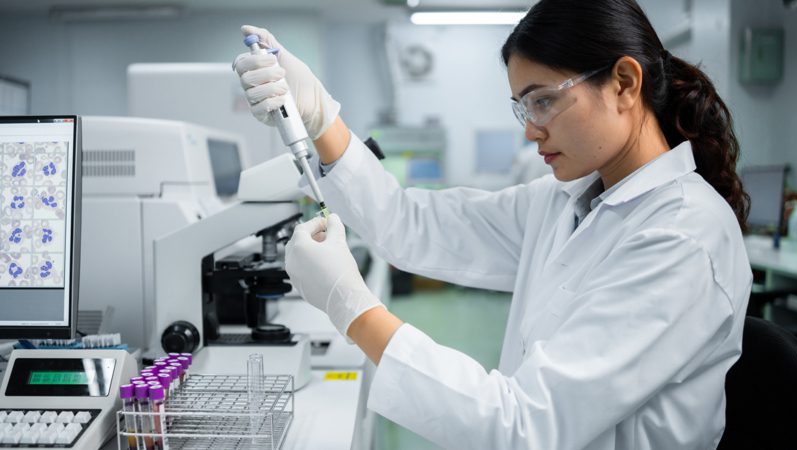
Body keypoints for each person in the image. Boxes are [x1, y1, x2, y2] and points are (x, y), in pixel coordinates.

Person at [233, 0, 752, 448]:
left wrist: (352, 308)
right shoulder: (565, 203)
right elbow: (411, 223)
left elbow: (525, 427)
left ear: (624, 83)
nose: (530, 130)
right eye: (522, 107)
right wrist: (321, 118)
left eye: (543, 101)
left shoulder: (684, 238)